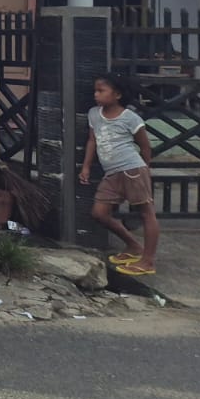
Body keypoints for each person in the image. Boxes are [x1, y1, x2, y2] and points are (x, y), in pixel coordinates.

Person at [81, 73, 159, 274]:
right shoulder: (93, 114)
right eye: (95, 90)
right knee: (99, 213)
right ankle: (134, 246)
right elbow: (92, 140)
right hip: (112, 173)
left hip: (132, 169)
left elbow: (145, 147)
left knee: (146, 214)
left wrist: (145, 171)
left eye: (101, 91)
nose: (96, 94)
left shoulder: (131, 118)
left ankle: (147, 261)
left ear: (117, 94)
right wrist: (86, 166)